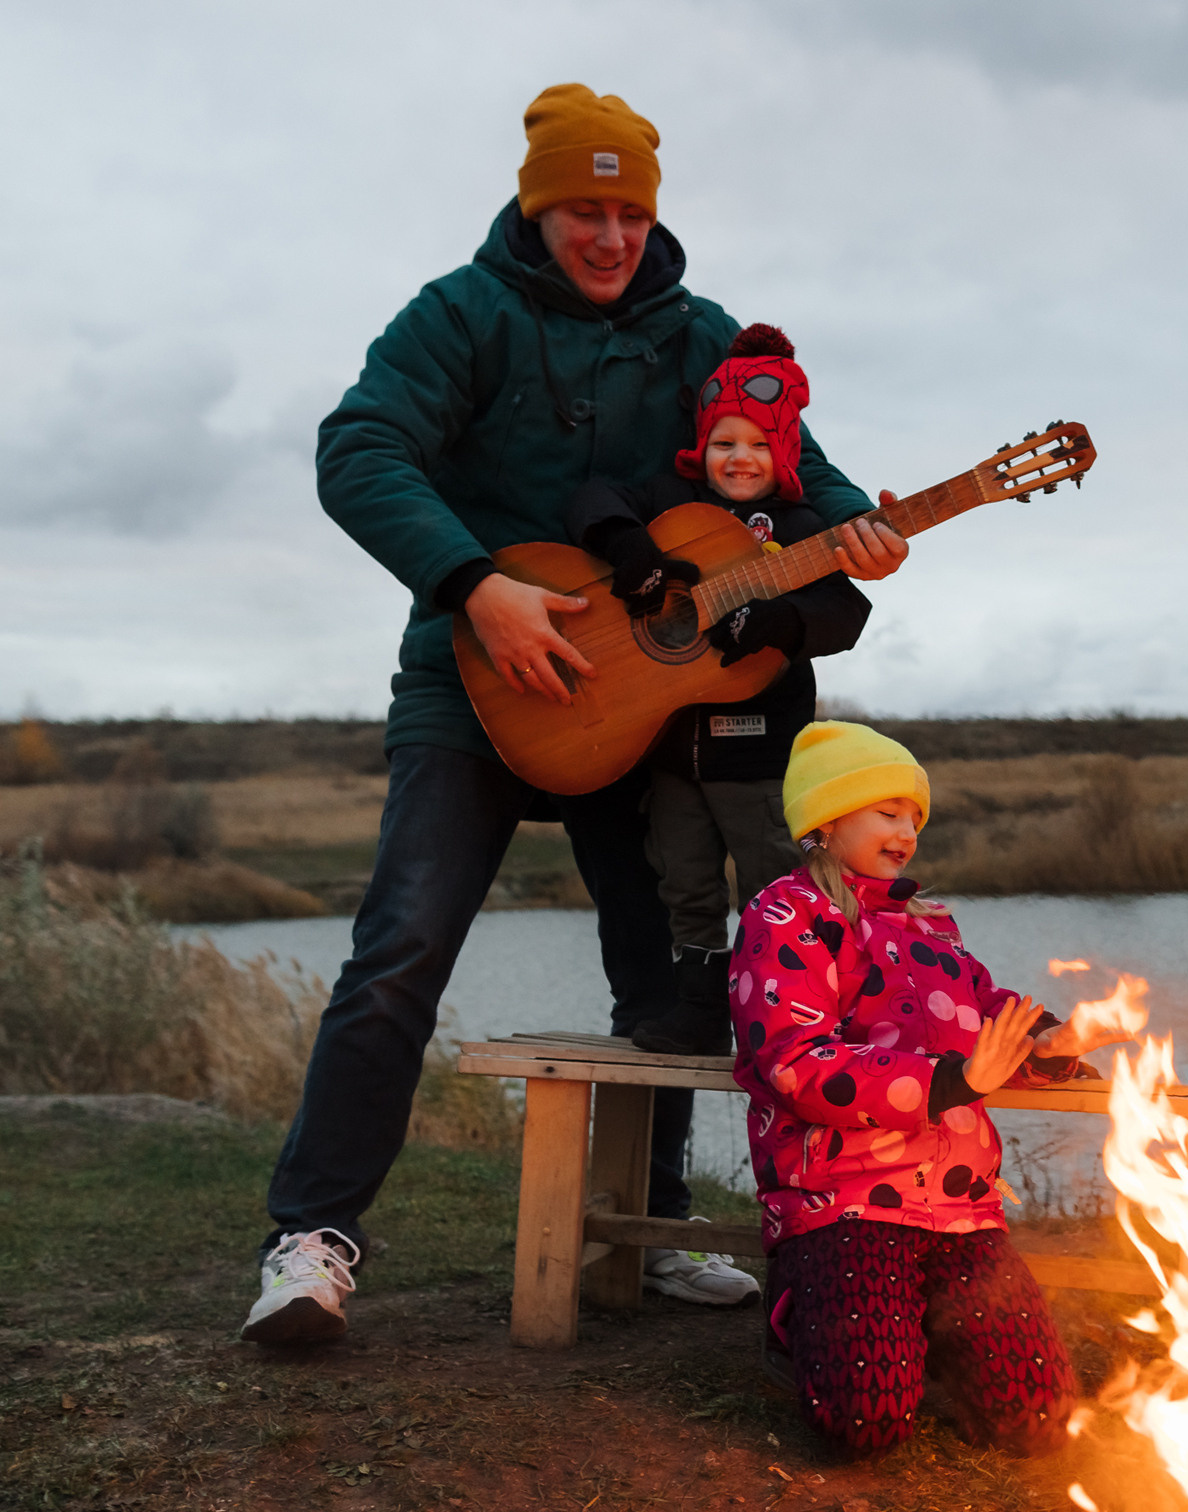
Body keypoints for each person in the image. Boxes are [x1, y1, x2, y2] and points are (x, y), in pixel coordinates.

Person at [242, 84, 910, 1344]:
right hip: (475, 681)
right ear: (537, 207)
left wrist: (850, 530)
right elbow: (360, 448)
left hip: (641, 705)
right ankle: (309, 1242)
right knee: (399, 953)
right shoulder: (461, 314)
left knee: (666, 969)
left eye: (625, 212)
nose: (606, 236)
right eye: (579, 211)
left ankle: (650, 1229)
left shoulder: (704, 336)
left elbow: (802, 480)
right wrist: (472, 583)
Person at [729, 723, 1130, 1456]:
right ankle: (800, 1309)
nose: (907, 829)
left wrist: (1056, 1044)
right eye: (886, 811)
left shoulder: (931, 924)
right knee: (867, 1422)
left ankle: (918, 1333)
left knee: (1036, 1418)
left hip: (958, 1205)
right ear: (825, 820)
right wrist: (952, 1081)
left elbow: (989, 1017)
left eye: (914, 814)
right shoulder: (786, 915)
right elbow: (797, 1063)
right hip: (843, 1199)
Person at [561, 323, 865, 1058]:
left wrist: (774, 622)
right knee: (686, 888)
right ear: (703, 445)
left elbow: (845, 613)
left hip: (758, 758)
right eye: (725, 443)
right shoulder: (668, 502)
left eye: (759, 445)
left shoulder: (799, 527)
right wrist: (630, 547)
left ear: (785, 452)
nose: (740, 459)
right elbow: (592, 497)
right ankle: (699, 1011)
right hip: (670, 751)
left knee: (774, 889)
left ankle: (792, 1017)